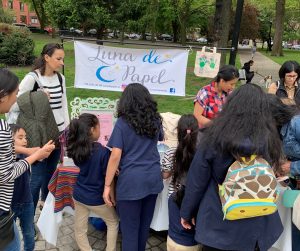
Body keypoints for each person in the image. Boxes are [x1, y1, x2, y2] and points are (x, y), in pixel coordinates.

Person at [180, 84, 284, 251]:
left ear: (231, 105)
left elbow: (196, 182)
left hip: (219, 220)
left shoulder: (214, 137)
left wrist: (187, 212)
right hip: (258, 219)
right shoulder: (269, 138)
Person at [7, 43, 69, 212]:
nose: (62, 62)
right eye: (58, 58)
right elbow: (14, 104)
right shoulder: (32, 78)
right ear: (46, 58)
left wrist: (66, 130)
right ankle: (28, 215)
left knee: (50, 173)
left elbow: (64, 105)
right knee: (37, 177)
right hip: (38, 135)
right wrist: (39, 98)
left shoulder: (60, 78)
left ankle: (45, 207)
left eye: (63, 59)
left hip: (57, 134)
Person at [103, 83, 164, 251]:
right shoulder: (156, 119)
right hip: (152, 179)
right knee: (143, 229)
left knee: (130, 231)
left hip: (130, 183)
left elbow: (115, 155)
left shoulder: (123, 123)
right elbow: (160, 140)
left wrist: (107, 185)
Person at [0, 68, 55, 251]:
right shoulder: (3, 129)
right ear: (3, 96)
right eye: (15, 94)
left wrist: (29, 150)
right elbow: (6, 173)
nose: (16, 99)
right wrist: (35, 156)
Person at [67, 113, 119, 251]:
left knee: (79, 229)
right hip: (97, 198)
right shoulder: (103, 152)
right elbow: (109, 178)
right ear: (91, 130)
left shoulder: (76, 149)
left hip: (79, 195)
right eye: (98, 127)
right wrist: (112, 195)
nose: (100, 130)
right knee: (113, 222)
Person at [161, 114, 200, 251]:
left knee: (175, 232)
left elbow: (165, 175)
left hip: (175, 197)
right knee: (192, 231)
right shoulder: (203, 156)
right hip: (195, 199)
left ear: (178, 132)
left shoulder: (171, 152)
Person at [10, 124, 37, 251]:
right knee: (10, 237)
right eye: (20, 138)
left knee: (29, 234)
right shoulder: (5, 159)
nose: (25, 140)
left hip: (27, 201)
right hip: (9, 206)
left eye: (25, 137)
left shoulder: (25, 155)